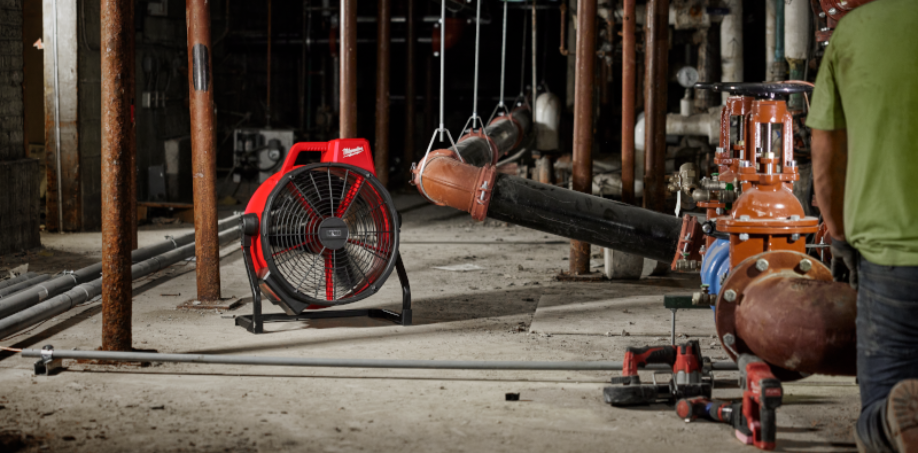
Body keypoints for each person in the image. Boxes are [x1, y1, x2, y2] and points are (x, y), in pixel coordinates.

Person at [807, 1, 918, 452]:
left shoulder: (853, 34)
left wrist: (837, 233)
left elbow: (825, 155)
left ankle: (887, 421)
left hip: (889, 256)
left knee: (879, 405)